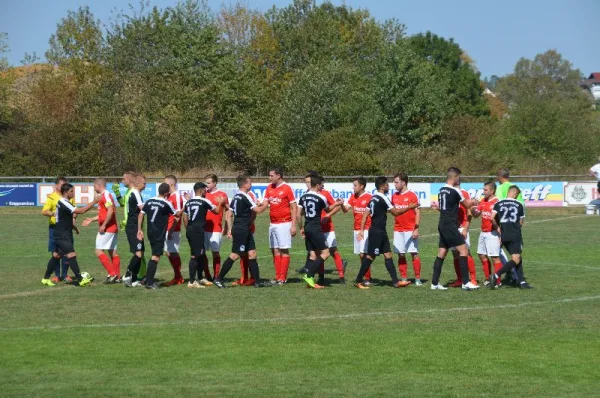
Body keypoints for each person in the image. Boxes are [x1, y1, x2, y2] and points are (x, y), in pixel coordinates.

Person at [354, 176, 417, 289]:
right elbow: (396, 213)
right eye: (387, 185)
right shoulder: (383, 198)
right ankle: (358, 280)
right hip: (377, 232)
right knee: (370, 257)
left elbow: (365, 214)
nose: (389, 186)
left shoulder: (373, 198)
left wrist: (362, 230)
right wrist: (410, 207)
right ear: (382, 186)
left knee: (388, 255)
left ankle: (396, 282)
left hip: (380, 232)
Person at [213, 175, 269, 288]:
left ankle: (257, 281)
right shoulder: (245, 196)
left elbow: (229, 213)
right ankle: (218, 279)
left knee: (252, 253)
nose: (251, 185)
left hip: (243, 228)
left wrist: (230, 228)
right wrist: (266, 204)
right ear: (244, 185)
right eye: (250, 183)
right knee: (235, 254)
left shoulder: (236, 196)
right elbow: (257, 210)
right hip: (242, 229)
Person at [430, 167, 480, 291]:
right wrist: (475, 201)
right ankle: (465, 282)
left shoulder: (441, 190)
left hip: (442, 223)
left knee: (442, 252)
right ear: (455, 177)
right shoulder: (456, 191)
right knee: (463, 251)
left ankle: (434, 283)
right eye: (458, 177)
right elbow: (467, 205)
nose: (459, 180)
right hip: (450, 225)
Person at [41, 183, 98, 287]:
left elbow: (63, 218)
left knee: (56, 256)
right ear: (65, 192)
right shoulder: (63, 202)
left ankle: (45, 279)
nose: (73, 193)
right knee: (71, 255)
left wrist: (73, 226)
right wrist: (95, 201)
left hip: (62, 232)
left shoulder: (66, 202)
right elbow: (81, 211)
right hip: (62, 234)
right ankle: (81, 280)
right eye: (71, 191)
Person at [297, 175, 344, 289]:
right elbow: (328, 209)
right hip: (316, 228)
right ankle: (309, 275)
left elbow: (299, 214)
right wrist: (337, 203)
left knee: (313, 254)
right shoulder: (321, 197)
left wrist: (301, 228)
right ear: (318, 185)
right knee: (326, 253)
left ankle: (310, 282)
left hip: (307, 226)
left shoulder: (303, 196)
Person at [137, 183, 184, 289]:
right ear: (167, 193)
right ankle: (149, 282)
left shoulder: (149, 201)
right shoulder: (166, 203)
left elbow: (141, 214)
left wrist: (139, 229)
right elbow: (177, 214)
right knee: (156, 256)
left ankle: (147, 280)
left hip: (150, 231)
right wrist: (185, 203)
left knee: (154, 254)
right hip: (159, 233)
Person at [490, 185, 533, 289]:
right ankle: (496, 275)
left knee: (517, 257)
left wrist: (498, 228)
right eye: (517, 195)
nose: (517, 196)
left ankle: (522, 282)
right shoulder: (519, 204)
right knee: (516, 258)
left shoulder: (498, 203)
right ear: (514, 193)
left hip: (504, 235)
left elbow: (492, 218)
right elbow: (521, 221)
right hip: (514, 234)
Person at [183, 183, 224, 288]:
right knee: (195, 255)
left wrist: (188, 229)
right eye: (205, 190)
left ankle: (200, 278)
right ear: (201, 191)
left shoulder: (189, 202)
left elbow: (185, 217)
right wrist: (220, 203)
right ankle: (192, 282)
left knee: (200, 254)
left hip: (190, 229)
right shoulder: (204, 201)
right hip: (197, 231)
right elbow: (217, 211)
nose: (206, 191)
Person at [82, 178, 121, 283]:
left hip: (108, 228)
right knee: (112, 252)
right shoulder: (104, 196)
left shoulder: (106, 195)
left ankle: (112, 274)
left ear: (99, 185)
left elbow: (110, 211)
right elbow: (103, 214)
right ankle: (117, 276)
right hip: (112, 228)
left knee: (98, 251)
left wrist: (104, 225)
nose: (94, 189)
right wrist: (91, 219)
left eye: (94, 187)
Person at [264, 167, 297, 285]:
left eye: (271, 175)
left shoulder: (287, 188)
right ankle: (277, 276)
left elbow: (294, 207)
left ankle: (283, 278)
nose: (270, 178)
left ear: (278, 175)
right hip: (272, 223)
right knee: (275, 250)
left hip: (284, 223)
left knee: (284, 249)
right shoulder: (269, 188)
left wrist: (293, 225)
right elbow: (265, 203)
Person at [340, 177, 374, 285]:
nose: (353, 187)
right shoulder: (353, 197)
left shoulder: (369, 197)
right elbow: (345, 210)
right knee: (361, 254)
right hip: (356, 228)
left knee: (363, 253)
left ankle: (367, 278)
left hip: (366, 229)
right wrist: (341, 204)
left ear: (362, 186)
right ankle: (366, 276)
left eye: (355, 185)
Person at [113, 171, 146, 280]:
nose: (122, 181)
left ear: (130, 180)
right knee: (138, 252)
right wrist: (117, 194)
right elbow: (124, 205)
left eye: (124, 179)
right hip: (133, 225)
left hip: (134, 225)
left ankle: (138, 275)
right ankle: (134, 275)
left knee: (139, 252)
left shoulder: (133, 192)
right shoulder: (129, 192)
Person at [391, 173, 422, 286]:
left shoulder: (412, 195)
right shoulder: (394, 196)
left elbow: (418, 213)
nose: (394, 184)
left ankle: (417, 279)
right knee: (401, 254)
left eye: (396, 182)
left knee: (414, 253)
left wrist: (416, 229)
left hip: (410, 229)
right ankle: (404, 278)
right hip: (398, 229)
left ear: (403, 182)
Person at [41, 177, 73, 283]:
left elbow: (74, 210)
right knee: (55, 253)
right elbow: (44, 211)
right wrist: (53, 213)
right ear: (56, 186)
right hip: (54, 228)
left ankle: (65, 275)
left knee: (67, 251)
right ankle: (57, 276)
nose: (64, 187)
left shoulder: (69, 196)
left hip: (66, 228)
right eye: (61, 184)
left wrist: (74, 221)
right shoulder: (52, 197)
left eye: (65, 184)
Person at [471, 180, 502, 286]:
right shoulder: (483, 200)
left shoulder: (497, 202)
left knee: (495, 257)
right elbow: (476, 214)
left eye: (485, 189)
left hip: (492, 233)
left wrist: (500, 231)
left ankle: (497, 281)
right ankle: (488, 278)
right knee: (481, 255)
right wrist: (472, 208)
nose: (483, 191)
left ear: (492, 190)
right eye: (483, 189)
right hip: (483, 232)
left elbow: (501, 218)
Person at [203, 174, 229, 281]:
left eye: (208, 183)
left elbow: (228, 210)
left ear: (214, 183)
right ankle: (207, 274)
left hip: (216, 229)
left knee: (215, 252)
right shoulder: (203, 194)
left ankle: (216, 275)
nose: (207, 185)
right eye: (206, 183)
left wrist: (227, 226)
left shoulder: (222, 195)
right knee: (202, 252)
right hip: (204, 228)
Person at [123, 175, 147, 287]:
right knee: (138, 254)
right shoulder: (136, 193)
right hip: (133, 228)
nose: (145, 185)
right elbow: (143, 208)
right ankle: (128, 273)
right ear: (137, 183)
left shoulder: (136, 193)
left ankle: (134, 279)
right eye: (144, 183)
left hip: (136, 227)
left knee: (140, 253)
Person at [163, 175, 185, 286]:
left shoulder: (176, 196)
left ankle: (178, 277)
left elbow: (177, 215)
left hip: (173, 229)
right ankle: (178, 276)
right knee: (169, 253)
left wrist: (171, 230)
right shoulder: (169, 196)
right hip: (168, 228)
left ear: (171, 183)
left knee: (173, 252)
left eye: (165, 182)